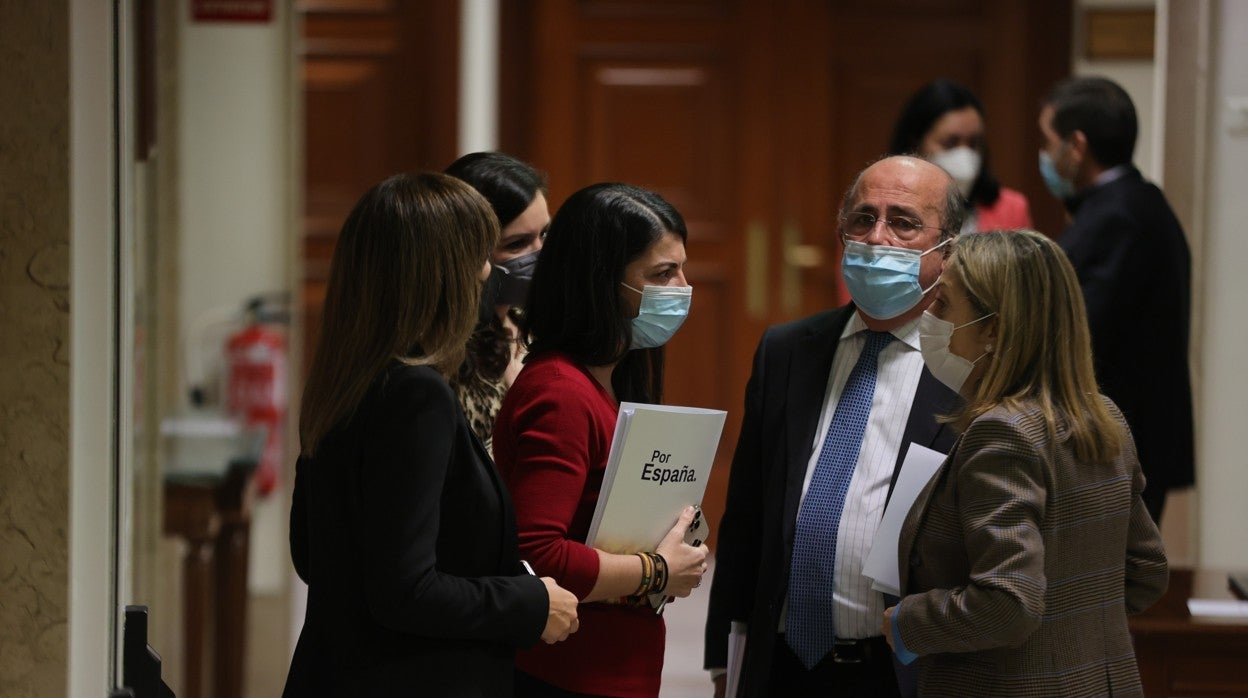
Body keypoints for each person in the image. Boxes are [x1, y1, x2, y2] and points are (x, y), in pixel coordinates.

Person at [284, 172, 578, 696]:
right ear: (443, 274)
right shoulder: (416, 396)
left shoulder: (346, 380)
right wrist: (530, 604)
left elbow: (314, 554)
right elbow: (406, 590)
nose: (489, 272)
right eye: (480, 256)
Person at [705, 155, 965, 697]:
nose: (878, 238)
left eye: (905, 222)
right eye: (863, 219)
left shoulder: (973, 369)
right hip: (781, 663)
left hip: (901, 670)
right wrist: (722, 655)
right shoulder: (787, 350)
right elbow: (748, 512)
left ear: (950, 251)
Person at [882, 229, 1169, 696]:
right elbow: (1145, 571)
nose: (927, 315)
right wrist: (1066, 632)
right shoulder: (1101, 416)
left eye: (944, 303)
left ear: (993, 329)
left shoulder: (1002, 432)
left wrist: (907, 623)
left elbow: (1008, 604)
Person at [493, 182, 710, 697]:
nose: (682, 287)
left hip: (610, 666)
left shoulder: (610, 379)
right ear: (603, 284)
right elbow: (538, 555)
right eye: (662, 274)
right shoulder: (560, 393)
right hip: (566, 671)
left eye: (681, 268)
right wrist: (656, 571)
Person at [1038, 75, 1194, 522]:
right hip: (1122, 442)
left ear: (1077, 145)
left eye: (1048, 142)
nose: (1045, 156)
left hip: (1113, 448)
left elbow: (1082, 333)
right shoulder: (1134, 203)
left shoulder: (1117, 217)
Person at [445, 151, 551, 454]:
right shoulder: (443, 349)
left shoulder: (540, 325)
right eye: (517, 244)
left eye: (545, 234)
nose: (540, 254)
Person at [889, 79, 1033, 234]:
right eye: (950, 143)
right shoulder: (889, 207)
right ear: (915, 144)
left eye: (973, 143)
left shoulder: (1012, 209)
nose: (964, 155)